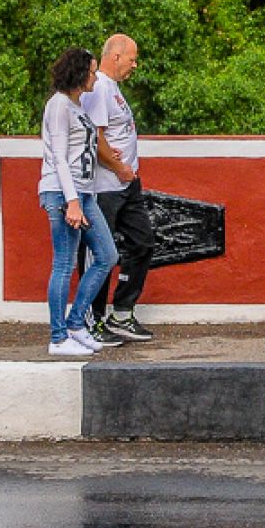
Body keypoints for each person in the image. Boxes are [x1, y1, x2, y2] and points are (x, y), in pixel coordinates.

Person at [39, 47, 121, 356]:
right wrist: (72, 201)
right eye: (91, 71)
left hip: (82, 193)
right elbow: (59, 157)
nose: (95, 77)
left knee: (107, 256)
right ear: (77, 73)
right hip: (63, 193)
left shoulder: (76, 106)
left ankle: (75, 323)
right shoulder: (59, 105)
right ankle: (58, 338)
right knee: (64, 262)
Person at [81, 32, 156, 342]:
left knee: (143, 242)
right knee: (99, 253)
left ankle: (121, 314)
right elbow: (95, 139)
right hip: (105, 186)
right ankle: (90, 320)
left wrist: (129, 173)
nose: (134, 65)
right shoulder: (97, 87)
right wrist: (120, 167)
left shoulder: (113, 91)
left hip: (126, 184)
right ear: (115, 57)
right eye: (132, 58)